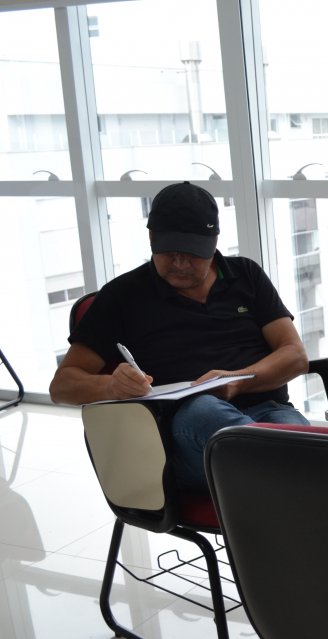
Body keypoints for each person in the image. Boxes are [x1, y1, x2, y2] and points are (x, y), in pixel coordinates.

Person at [50, 181, 310, 495]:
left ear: (213, 242)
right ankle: (290, 483)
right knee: (209, 412)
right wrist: (111, 386)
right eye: (170, 252)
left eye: (191, 253)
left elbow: (295, 356)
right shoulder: (122, 296)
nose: (180, 263)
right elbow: (62, 385)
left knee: (295, 440)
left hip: (269, 410)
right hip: (184, 435)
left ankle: (279, 487)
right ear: (151, 239)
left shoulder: (246, 275)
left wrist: (237, 381)